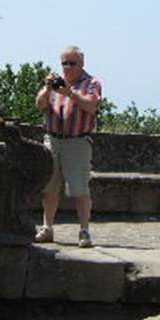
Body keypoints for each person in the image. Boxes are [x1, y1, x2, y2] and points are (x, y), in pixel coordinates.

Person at [34, 46, 102, 248]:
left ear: (82, 64)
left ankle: (84, 231)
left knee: (80, 189)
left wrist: (69, 93)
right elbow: (39, 105)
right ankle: (47, 228)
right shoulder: (55, 84)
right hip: (53, 139)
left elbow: (91, 106)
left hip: (78, 141)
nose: (68, 67)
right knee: (50, 187)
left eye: (72, 63)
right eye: (64, 63)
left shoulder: (91, 83)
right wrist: (48, 88)